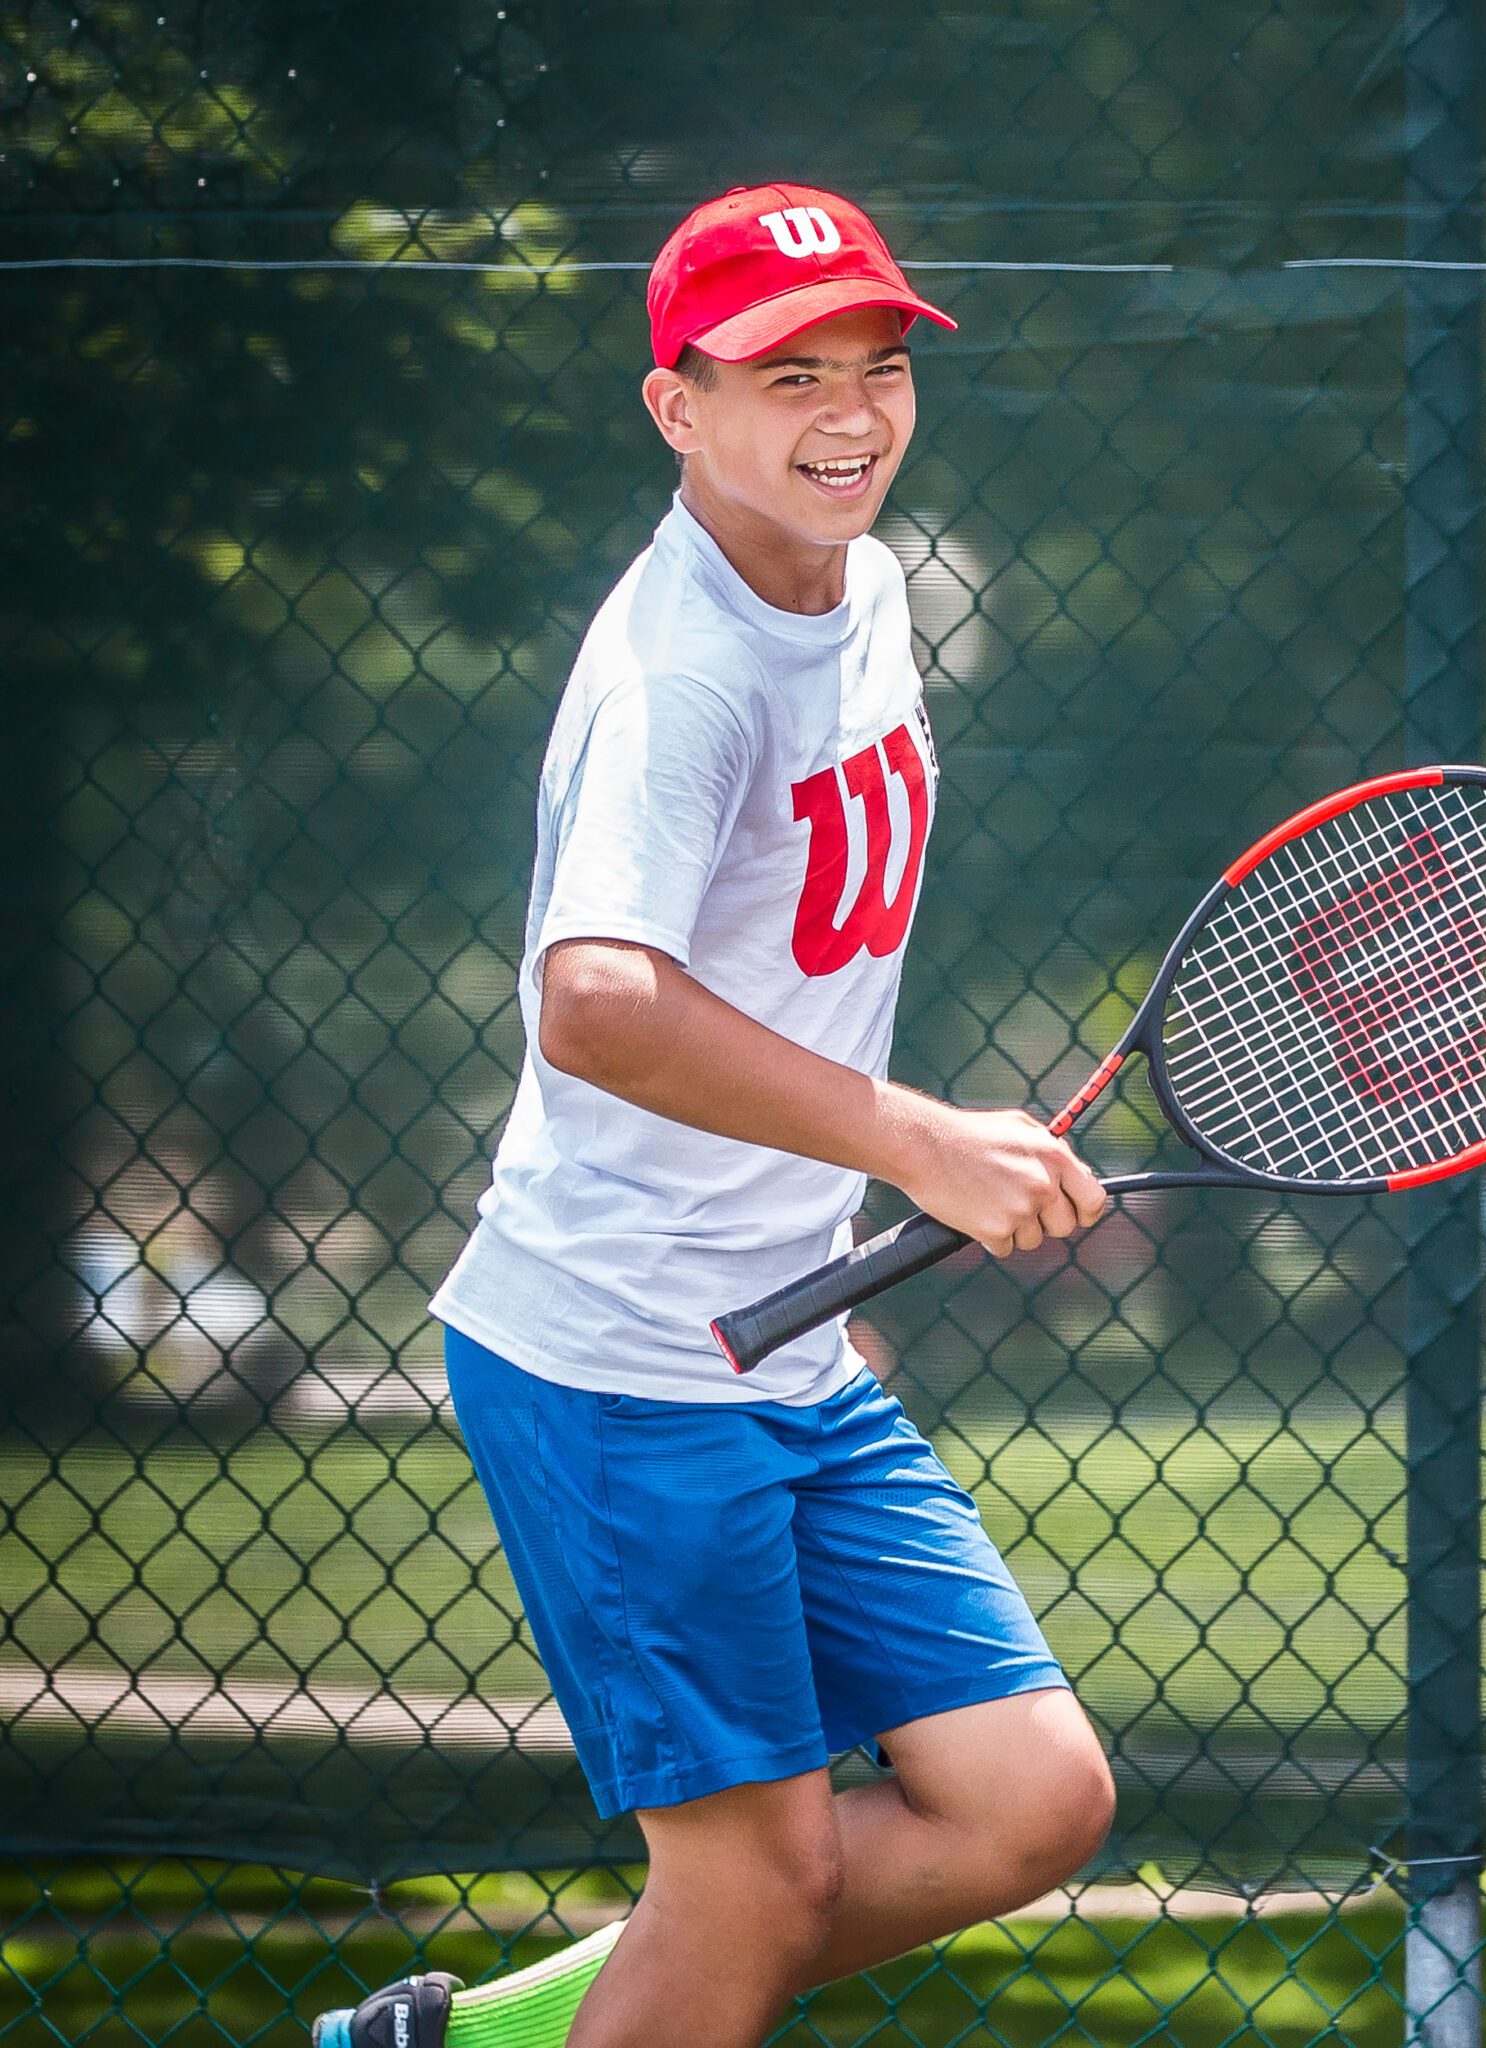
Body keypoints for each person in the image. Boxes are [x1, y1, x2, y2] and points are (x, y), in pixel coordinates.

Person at [313, 182, 1114, 2048]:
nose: (850, 413)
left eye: (877, 364)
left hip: (790, 1345)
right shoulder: (677, 674)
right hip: (618, 1359)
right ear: (676, 406)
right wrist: (920, 1144)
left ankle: (481, 2038)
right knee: (756, 1882)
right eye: (786, 376)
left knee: (1032, 1801)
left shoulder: (876, 587)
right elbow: (592, 1003)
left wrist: (872, 1176)